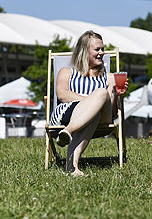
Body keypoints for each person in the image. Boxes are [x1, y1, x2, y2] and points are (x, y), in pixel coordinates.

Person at [50, 30, 128, 176]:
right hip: (66, 114)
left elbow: (110, 114)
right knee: (95, 111)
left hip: (97, 122)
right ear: (84, 51)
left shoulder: (110, 78)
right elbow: (62, 95)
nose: (101, 53)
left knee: (101, 94)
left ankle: (68, 132)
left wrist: (114, 96)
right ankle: (72, 166)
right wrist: (91, 104)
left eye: (103, 49)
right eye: (97, 49)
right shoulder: (67, 72)